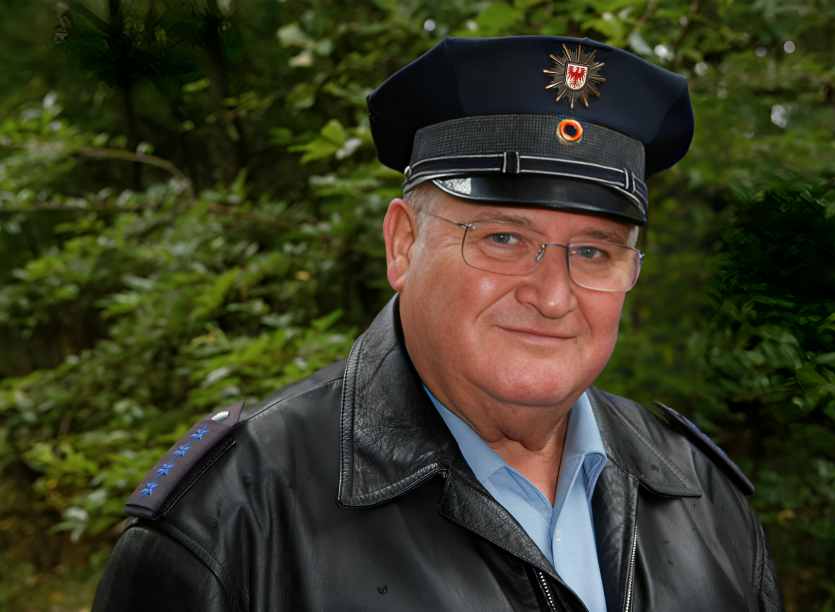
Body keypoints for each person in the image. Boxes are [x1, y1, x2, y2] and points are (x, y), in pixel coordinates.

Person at [92, 35, 784, 611]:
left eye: (594, 252)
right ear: (402, 245)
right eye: (503, 238)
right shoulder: (231, 517)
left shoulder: (703, 496)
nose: (553, 296)